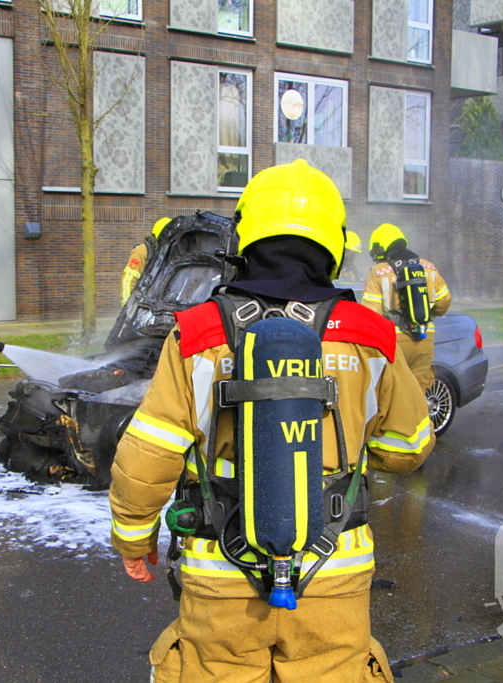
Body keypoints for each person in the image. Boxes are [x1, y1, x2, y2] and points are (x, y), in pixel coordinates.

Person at [109, 159, 433, 682]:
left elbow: (150, 450)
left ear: (244, 237)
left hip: (221, 571)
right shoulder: (371, 334)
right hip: (335, 570)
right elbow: (410, 446)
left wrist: (133, 535)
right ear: (334, 243)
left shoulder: (198, 333)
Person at [362, 223, 452, 393]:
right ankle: (422, 419)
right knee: (419, 391)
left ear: (381, 246)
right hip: (425, 337)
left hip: (394, 341)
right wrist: (424, 313)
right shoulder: (428, 267)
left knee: (394, 392)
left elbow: (371, 314)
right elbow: (444, 302)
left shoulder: (378, 272)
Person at [121, 217, 171, 304]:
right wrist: (127, 305)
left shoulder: (176, 252)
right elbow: (129, 279)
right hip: (144, 301)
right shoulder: (142, 251)